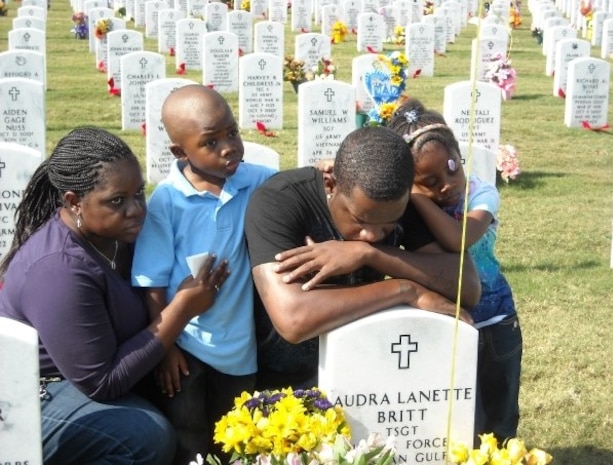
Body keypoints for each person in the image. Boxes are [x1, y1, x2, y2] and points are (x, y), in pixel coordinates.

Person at [0, 127, 229, 465]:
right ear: (74, 202)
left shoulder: (114, 235)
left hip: (80, 375)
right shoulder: (59, 269)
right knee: (144, 436)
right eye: (116, 201)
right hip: (34, 389)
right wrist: (180, 310)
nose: (136, 210)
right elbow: (102, 382)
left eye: (139, 193)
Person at [244, 126, 481, 390]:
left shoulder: (400, 201)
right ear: (330, 184)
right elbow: (293, 319)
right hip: (283, 385)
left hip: (365, 374)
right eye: (360, 220)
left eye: (389, 225)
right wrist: (404, 289)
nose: (371, 234)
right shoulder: (280, 201)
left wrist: (368, 254)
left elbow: (468, 287)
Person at [131, 85, 276, 465]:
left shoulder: (256, 181)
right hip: (186, 345)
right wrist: (165, 347)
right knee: (187, 431)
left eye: (232, 132)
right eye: (211, 142)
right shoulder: (169, 200)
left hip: (238, 344)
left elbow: (295, 192)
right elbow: (151, 279)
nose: (229, 147)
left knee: (237, 433)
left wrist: (324, 172)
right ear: (181, 152)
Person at [388, 98, 522, 442]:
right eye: (429, 180)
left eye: (452, 167)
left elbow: (460, 240)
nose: (446, 184)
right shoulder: (409, 209)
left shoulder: (482, 193)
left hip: (494, 321)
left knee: (499, 409)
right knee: (460, 411)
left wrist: (417, 196)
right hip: (446, 318)